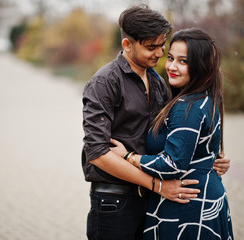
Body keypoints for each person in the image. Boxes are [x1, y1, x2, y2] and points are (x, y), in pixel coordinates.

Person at [82, 4, 230, 240]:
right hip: (116, 201)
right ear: (127, 44)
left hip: (155, 198)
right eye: (152, 47)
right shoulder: (104, 83)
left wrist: (207, 156)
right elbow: (97, 153)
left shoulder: (158, 81)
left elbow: (177, 135)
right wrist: (157, 185)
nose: (160, 54)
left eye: (162, 45)